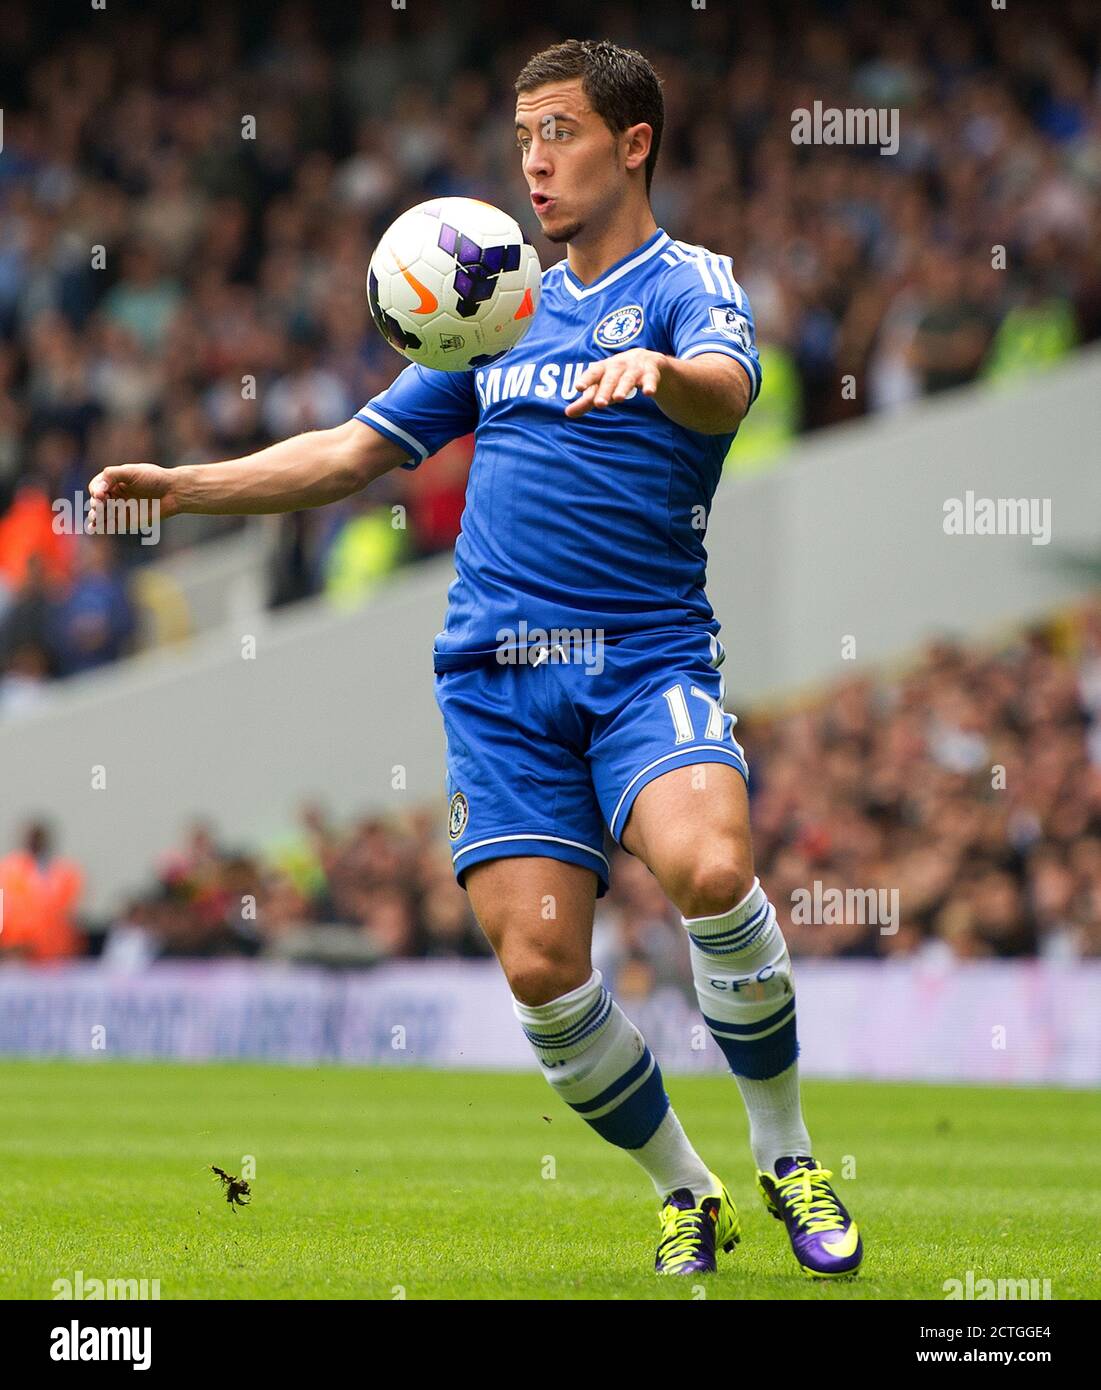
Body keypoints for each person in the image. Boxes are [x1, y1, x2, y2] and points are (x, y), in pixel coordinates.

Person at [87, 39, 861, 1280]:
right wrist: (189, 486)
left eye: (558, 132)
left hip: (640, 656)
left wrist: (659, 373)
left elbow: (726, 389)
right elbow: (349, 453)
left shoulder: (685, 285)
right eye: (521, 140)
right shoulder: (493, 311)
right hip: (497, 685)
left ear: (634, 142)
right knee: (546, 974)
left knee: (713, 868)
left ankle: (788, 1154)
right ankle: (687, 1187)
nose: (534, 163)